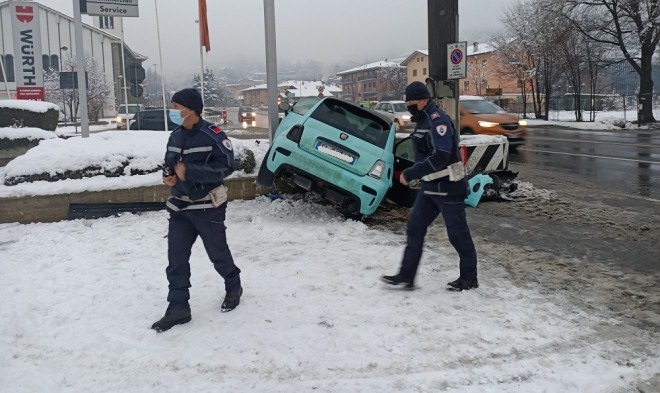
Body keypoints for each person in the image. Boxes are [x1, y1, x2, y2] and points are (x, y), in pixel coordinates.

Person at [151, 88, 243, 332]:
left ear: (190, 110)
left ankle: (233, 285)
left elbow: (227, 167)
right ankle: (178, 307)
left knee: (217, 253)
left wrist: (190, 172)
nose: (172, 111)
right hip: (180, 207)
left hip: (207, 207)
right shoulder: (175, 136)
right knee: (176, 260)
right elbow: (170, 164)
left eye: (175, 106)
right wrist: (168, 176)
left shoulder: (213, 135)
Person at [381, 81, 479, 291]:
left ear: (424, 100)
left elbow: (442, 156)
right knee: (415, 228)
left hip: (449, 187)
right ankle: (406, 275)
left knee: (458, 234)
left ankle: (469, 277)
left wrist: (411, 173)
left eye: (411, 103)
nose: (408, 106)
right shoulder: (423, 120)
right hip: (429, 188)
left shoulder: (438, 121)